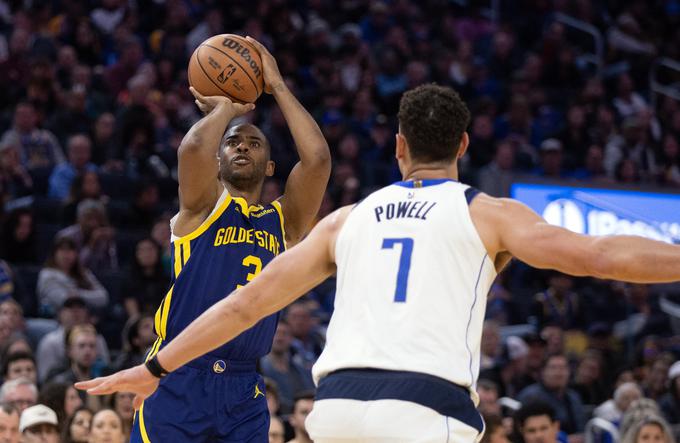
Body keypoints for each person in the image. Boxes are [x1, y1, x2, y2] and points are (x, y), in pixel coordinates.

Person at [77, 84, 680, 442]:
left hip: (336, 408)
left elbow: (245, 304)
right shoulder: (487, 212)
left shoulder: (347, 218)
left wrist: (153, 369)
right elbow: (600, 255)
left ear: (398, 147)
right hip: (423, 408)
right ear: (464, 146)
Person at [82, 36, 330, 442]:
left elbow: (318, 159)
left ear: (270, 167)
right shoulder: (202, 207)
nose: (242, 147)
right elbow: (194, 146)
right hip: (178, 372)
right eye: (233, 142)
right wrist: (227, 108)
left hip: (244, 386)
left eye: (253, 143)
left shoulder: (283, 223)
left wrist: (278, 85)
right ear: (219, 160)